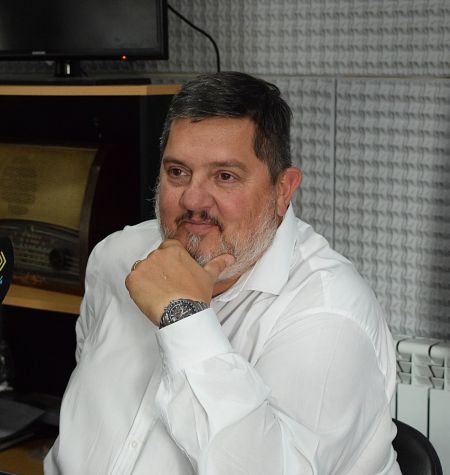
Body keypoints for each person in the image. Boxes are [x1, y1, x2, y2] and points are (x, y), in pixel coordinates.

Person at [45, 71, 401, 474]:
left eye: (225, 176)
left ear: (283, 190)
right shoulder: (116, 257)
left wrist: (184, 319)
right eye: (177, 172)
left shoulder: (329, 315)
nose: (193, 199)